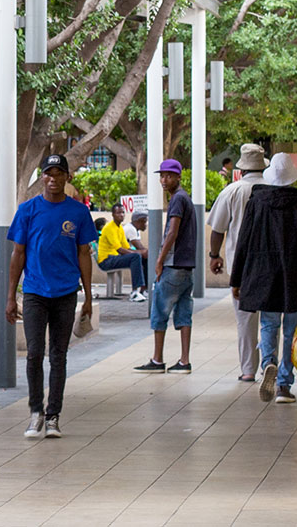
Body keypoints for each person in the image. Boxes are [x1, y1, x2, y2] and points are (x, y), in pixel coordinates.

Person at [5, 154, 96, 440]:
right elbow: (17, 254)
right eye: (48, 173)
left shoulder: (79, 212)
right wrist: (10, 296)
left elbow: (84, 254)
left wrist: (89, 296)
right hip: (34, 292)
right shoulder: (27, 210)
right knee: (34, 353)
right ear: (42, 177)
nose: (53, 178)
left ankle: (54, 416)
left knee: (59, 355)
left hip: (66, 292)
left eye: (59, 173)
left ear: (67, 177)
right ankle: (36, 412)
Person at [225, 153, 297, 405]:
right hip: (295, 274)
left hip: (263, 273)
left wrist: (237, 279)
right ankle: (284, 386)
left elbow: (243, 241)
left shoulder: (258, 201)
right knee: (291, 329)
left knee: (268, 324)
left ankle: (268, 363)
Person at [206, 144, 270, 381]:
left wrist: (215, 256)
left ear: (241, 168)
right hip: (271, 264)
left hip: (240, 266)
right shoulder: (274, 188)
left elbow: (218, 229)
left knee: (245, 318)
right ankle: (270, 361)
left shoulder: (232, 191)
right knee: (271, 317)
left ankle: (248, 370)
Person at [134, 160, 199, 374]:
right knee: (183, 313)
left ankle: (157, 358)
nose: (164, 180)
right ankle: (184, 361)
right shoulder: (183, 197)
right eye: (161, 176)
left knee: (159, 310)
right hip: (186, 266)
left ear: (178, 177)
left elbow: (172, 232)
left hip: (173, 264)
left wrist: (159, 260)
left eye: (169, 176)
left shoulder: (178, 199)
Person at [96, 210, 148, 306]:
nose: (121, 215)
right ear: (113, 214)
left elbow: (126, 247)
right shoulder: (109, 228)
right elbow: (120, 250)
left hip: (115, 257)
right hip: (106, 260)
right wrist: (140, 252)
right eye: (118, 213)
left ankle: (144, 289)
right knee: (136, 256)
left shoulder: (120, 228)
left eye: (123, 212)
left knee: (141, 257)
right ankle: (135, 292)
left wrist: (140, 253)